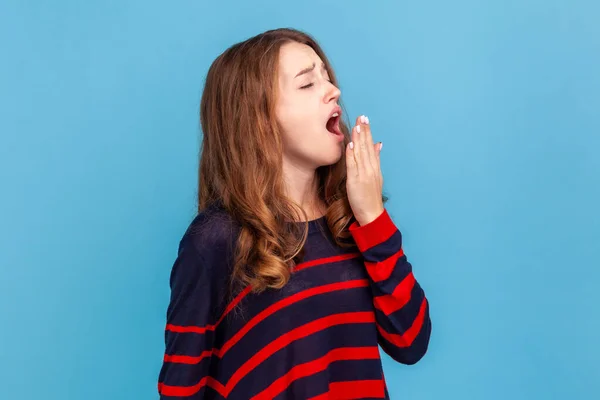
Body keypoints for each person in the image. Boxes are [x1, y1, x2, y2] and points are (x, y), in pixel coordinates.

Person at [157, 28, 432, 399]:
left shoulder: (351, 220)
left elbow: (411, 342)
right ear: (258, 120)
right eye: (307, 84)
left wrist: (373, 218)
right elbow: (180, 390)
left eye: (326, 76)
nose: (333, 89)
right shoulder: (214, 241)